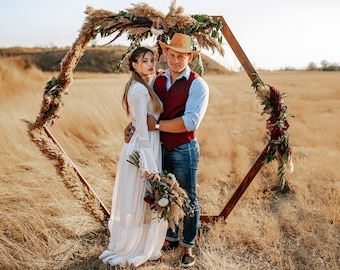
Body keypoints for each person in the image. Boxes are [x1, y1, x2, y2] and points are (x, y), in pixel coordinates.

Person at [124, 33, 209, 268]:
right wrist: (132, 126)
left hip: (183, 149)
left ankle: (187, 246)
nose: (175, 59)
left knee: (188, 197)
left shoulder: (197, 84)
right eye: (171, 54)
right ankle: (170, 237)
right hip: (159, 148)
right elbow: (147, 112)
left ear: (189, 57)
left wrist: (158, 126)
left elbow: (190, 122)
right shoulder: (157, 81)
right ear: (166, 55)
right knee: (164, 195)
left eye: (181, 55)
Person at [99, 47, 168, 268]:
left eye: (152, 60)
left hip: (148, 145)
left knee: (143, 197)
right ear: (134, 65)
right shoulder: (138, 90)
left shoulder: (144, 85)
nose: (150, 64)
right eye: (144, 61)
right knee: (140, 197)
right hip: (143, 147)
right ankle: (134, 245)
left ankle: (145, 243)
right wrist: (147, 160)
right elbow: (140, 127)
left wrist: (157, 74)